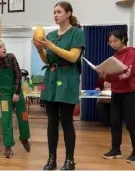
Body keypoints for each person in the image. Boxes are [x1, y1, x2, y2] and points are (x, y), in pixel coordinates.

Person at [33, 1, 85, 170]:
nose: (55, 15)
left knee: (67, 121)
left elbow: (73, 57)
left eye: (59, 12)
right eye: (54, 12)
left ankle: (69, 160)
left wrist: (51, 46)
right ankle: (52, 159)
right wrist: (40, 49)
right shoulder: (51, 34)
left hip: (68, 77)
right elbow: (48, 60)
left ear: (68, 13)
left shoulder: (77, 33)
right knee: (51, 121)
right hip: (51, 77)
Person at [0, 40, 31, 158]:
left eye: (4, 45)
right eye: (0, 47)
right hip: (4, 95)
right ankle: (8, 146)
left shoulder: (11, 57)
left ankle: (24, 138)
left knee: (23, 115)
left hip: (16, 92)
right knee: (6, 119)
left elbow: (18, 74)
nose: (4, 48)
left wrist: (17, 92)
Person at [98, 30, 135, 163]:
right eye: (110, 42)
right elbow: (115, 77)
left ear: (122, 39)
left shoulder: (132, 53)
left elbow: (127, 73)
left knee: (130, 124)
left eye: (115, 41)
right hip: (116, 93)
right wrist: (104, 75)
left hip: (130, 93)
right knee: (115, 123)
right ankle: (115, 150)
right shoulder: (115, 56)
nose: (112, 44)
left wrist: (110, 77)